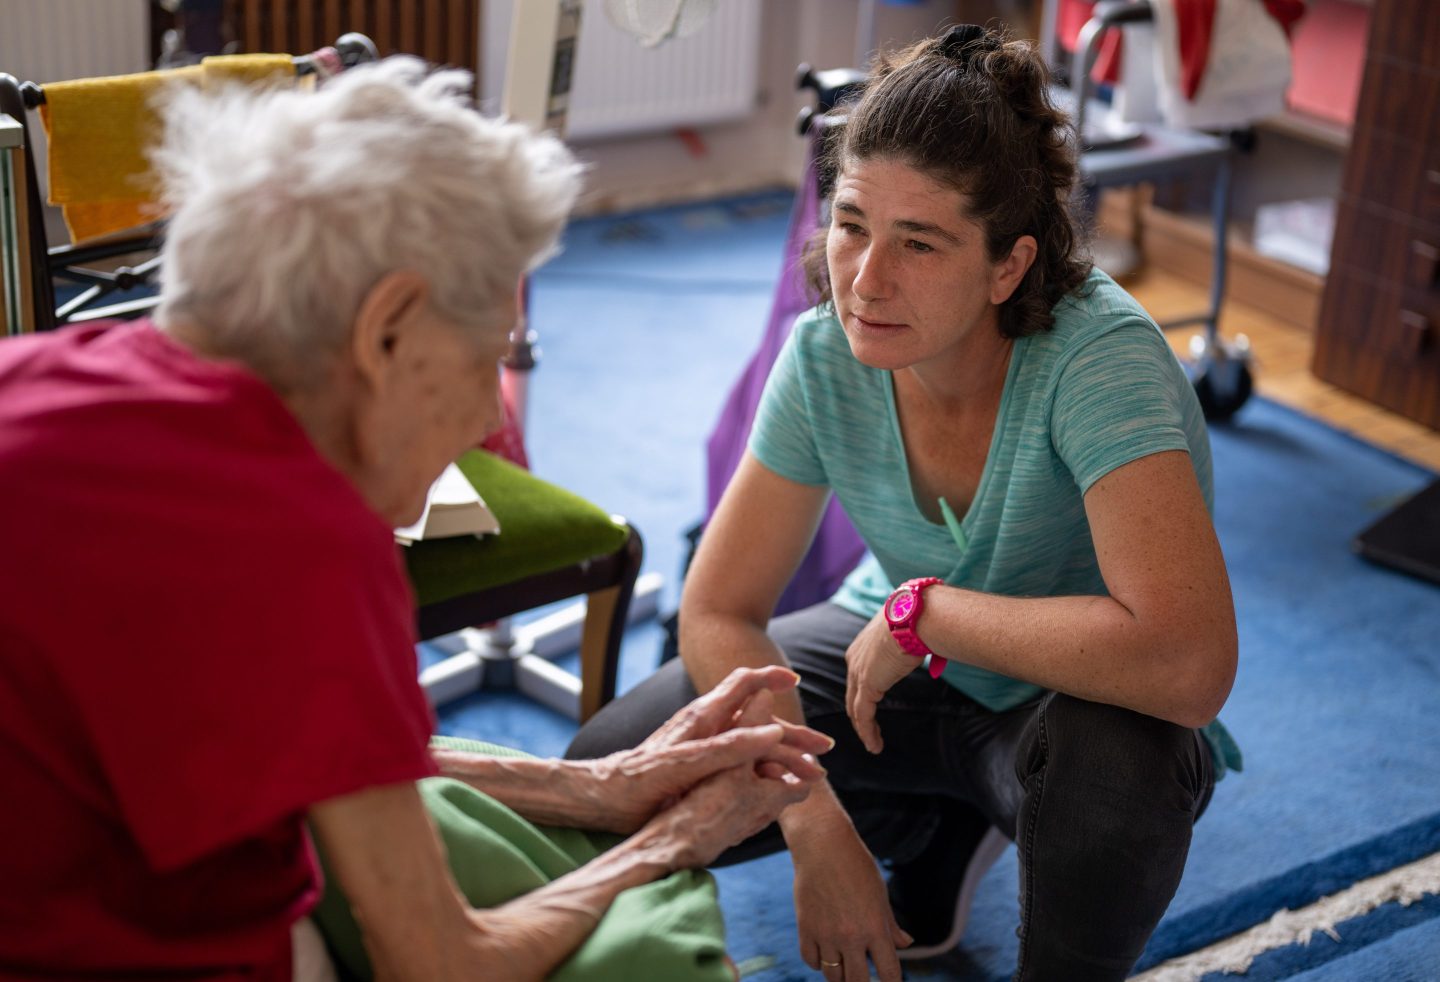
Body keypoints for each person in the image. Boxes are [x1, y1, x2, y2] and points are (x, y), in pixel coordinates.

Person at [0, 58, 831, 980]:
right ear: (388, 327)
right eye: (489, 357)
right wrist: (671, 842)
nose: (489, 416)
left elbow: (306, 741)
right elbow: (443, 964)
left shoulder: (38, 375)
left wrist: (601, 785)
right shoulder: (304, 542)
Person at [568, 23, 1243, 982]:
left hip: (1062, 704)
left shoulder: (1102, 360)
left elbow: (1187, 663)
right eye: (851, 225)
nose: (866, 281)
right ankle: (933, 820)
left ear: (1009, 265)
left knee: (1113, 783)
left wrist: (925, 615)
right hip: (887, 672)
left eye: (918, 243)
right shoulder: (822, 353)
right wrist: (812, 819)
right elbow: (718, 610)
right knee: (617, 774)